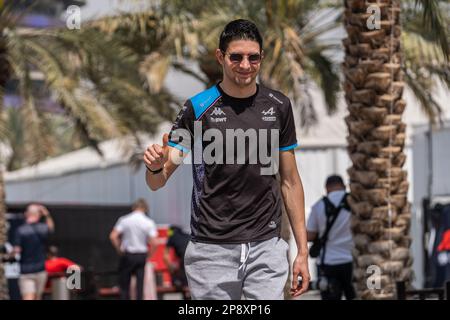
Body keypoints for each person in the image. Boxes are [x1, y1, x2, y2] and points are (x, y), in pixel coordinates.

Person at [144, 19, 310, 300]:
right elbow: (158, 180)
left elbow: (291, 182)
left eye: (253, 57)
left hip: (266, 248)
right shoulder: (197, 109)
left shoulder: (279, 106)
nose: (245, 65)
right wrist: (155, 165)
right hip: (211, 250)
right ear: (220, 57)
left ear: (261, 58)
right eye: (236, 57)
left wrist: (303, 253)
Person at [306, 175, 356, 300]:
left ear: (327, 188)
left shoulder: (318, 206)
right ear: (343, 186)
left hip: (328, 263)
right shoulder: (354, 203)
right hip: (352, 262)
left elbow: (309, 235)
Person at [109, 198, 158, 300]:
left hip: (128, 255)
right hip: (141, 255)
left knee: (124, 286)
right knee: (140, 287)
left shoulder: (124, 220)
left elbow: (113, 236)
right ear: (145, 208)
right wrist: (149, 255)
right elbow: (154, 242)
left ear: (133, 207)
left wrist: (119, 249)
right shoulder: (149, 222)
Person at [13, 204, 55, 300]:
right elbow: (51, 228)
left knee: (29, 297)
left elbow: (17, 250)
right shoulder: (43, 228)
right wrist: (47, 214)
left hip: (26, 270)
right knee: (37, 297)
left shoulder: (21, 230)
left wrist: (10, 254)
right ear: (39, 215)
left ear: (26, 214)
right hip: (40, 270)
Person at [163, 225, 190, 290]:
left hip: (183, 259)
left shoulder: (172, 236)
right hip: (191, 257)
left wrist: (171, 268)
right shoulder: (187, 236)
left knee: (182, 283)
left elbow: (165, 256)